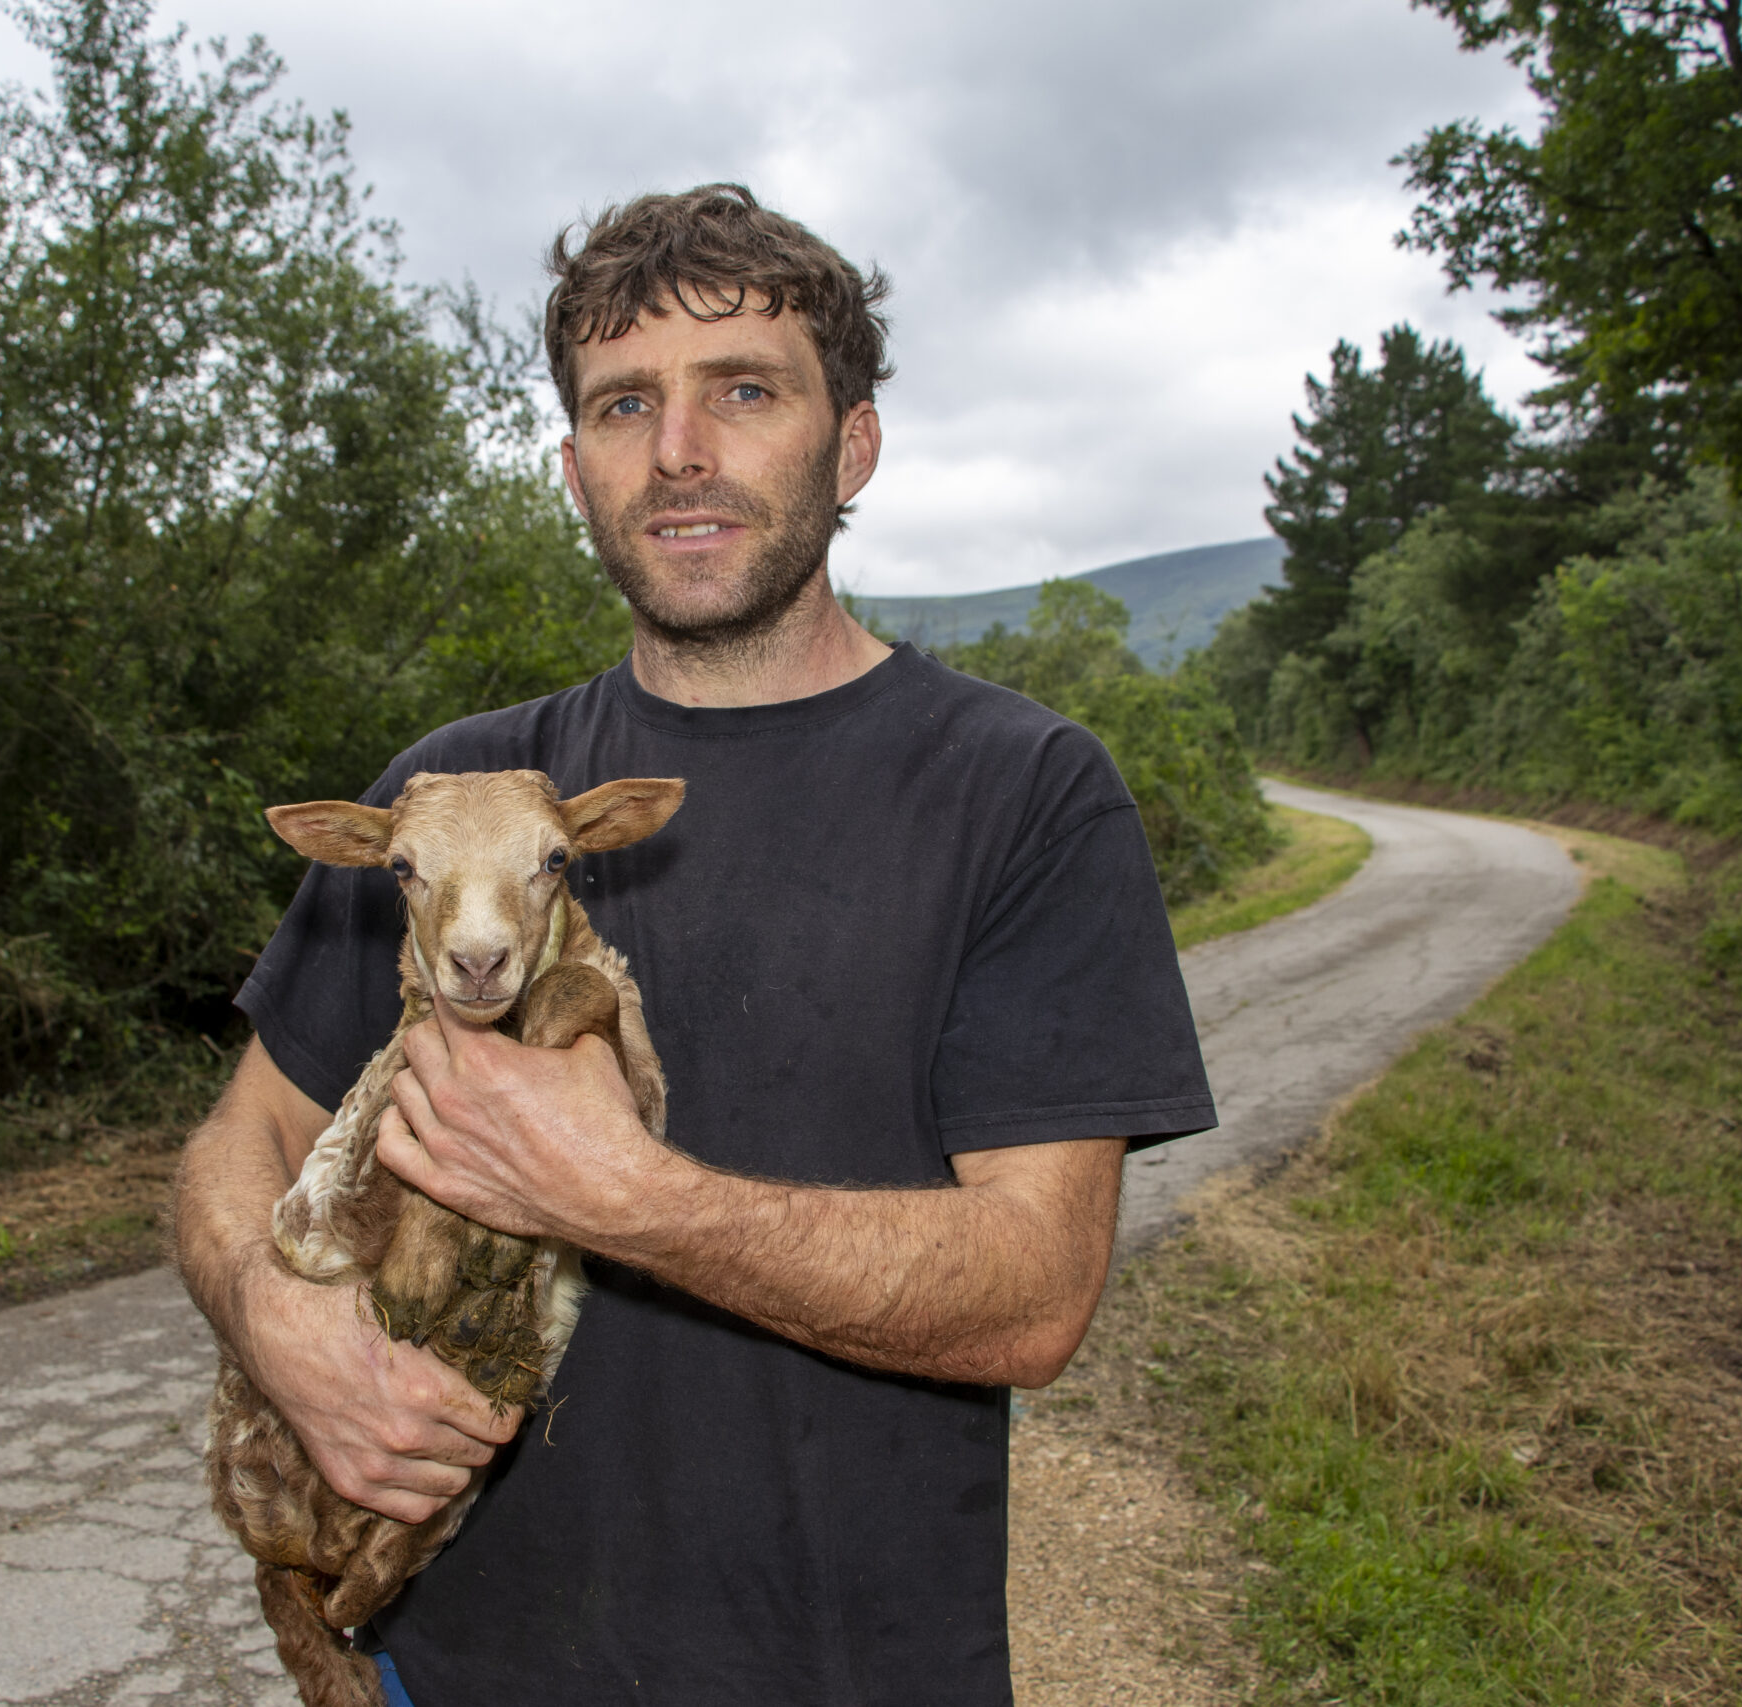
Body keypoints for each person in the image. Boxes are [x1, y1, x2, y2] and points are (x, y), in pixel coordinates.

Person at [171, 183, 1215, 1707]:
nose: (679, 452)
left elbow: (1035, 1292)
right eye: (622, 405)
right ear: (576, 469)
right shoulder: (456, 792)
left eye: (744, 391)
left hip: (846, 1671)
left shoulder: (1022, 794)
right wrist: (279, 1319)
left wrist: (624, 1194)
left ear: (850, 443)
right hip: (448, 1666)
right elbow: (240, 1137)